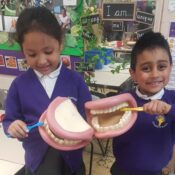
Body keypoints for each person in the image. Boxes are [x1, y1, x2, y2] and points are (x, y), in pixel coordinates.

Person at [2, 6, 91, 175]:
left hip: (72, 160)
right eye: (32, 55)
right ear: (23, 52)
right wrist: (12, 126)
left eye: (48, 51)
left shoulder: (76, 81)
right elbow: (9, 121)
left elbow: (88, 118)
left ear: (60, 43)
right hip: (38, 163)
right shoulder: (19, 86)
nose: (42, 60)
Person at [110, 31, 175, 175]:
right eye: (146, 68)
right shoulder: (124, 99)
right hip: (122, 170)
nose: (155, 74)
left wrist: (168, 109)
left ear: (170, 67)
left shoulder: (172, 99)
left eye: (162, 66)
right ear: (133, 73)